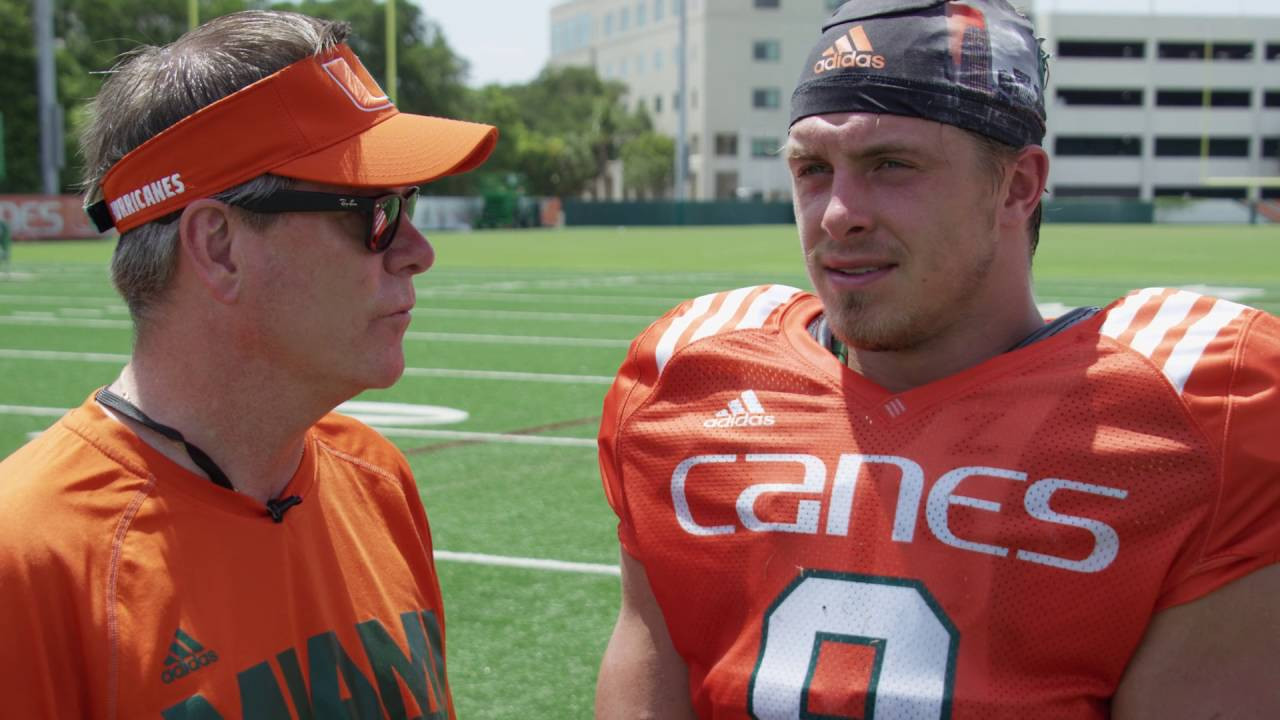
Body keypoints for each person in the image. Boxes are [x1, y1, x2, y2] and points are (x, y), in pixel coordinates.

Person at [594, 1, 1279, 718]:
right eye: (812, 169)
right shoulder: (690, 381)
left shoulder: (1190, 416)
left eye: (891, 164)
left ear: (1018, 185)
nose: (837, 213)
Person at [0, 10, 496, 718]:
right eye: (375, 211)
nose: (417, 250)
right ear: (220, 247)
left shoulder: (378, 480)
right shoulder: (27, 556)